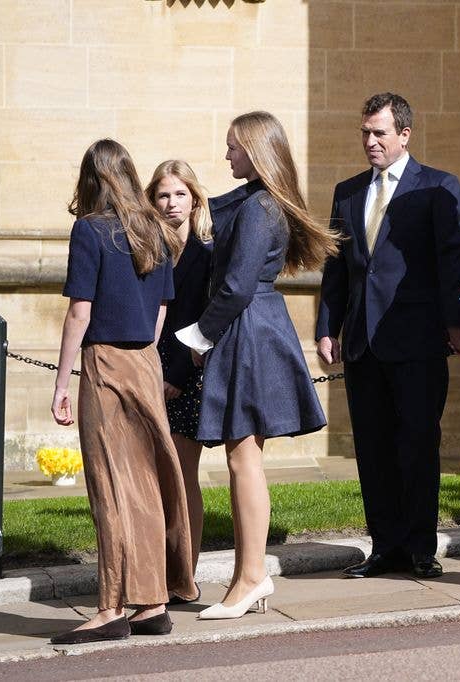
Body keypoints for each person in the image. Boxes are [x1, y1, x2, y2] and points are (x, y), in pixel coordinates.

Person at [176, 111, 336, 618]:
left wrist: (201, 335)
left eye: (233, 147)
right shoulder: (258, 203)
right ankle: (250, 576)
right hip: (250, 328)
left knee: (243, 457)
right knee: (242, 457)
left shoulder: (261, 207)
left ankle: (250, 577)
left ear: (256, 149)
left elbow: (238, 286)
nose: (226, 156)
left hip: (248, 330)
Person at [315, 93, 460, 580]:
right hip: (363, 343)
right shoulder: (347, 192)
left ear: (404, 134)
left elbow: (455, 258)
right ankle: (385, 547)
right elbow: (337, 268)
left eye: (379, 133)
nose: (370, 141)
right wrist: (327, 327)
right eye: (365, 132)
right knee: (373, 448)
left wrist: (458, 323)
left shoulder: (438, 187)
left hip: (418, 341)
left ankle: (421, 548)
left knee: (418, 444)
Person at [50, 139, 196, 644]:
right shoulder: (155, 230)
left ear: (92, 178)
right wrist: (144, 357)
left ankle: (111, 607)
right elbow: (160, 313)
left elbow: (79, 313)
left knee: (111, 485)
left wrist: (62, 380)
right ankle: (152, 602)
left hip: (106, 362)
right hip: (146, 362)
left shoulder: (89, 230)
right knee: (146, 483)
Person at [146, 159, 212, 590]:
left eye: (179, 194)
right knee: (154, 477)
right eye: (163, 195)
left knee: (183, 474)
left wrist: (178, 374)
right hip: (149, 367)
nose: (171, 203)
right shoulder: (149, 249)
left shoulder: (207, 252)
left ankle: (184, 574)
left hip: (189, 372)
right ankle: (158, 572)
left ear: (194, 199)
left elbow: (206, 318)